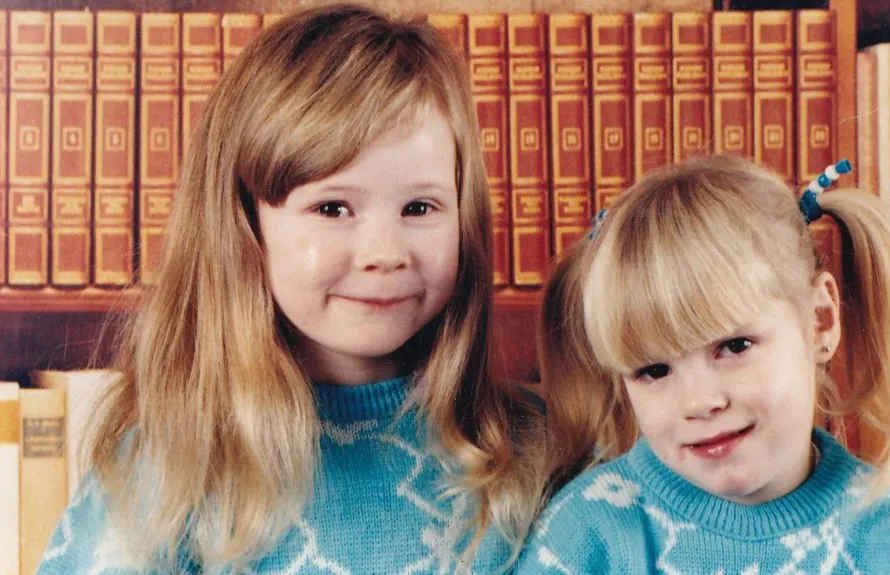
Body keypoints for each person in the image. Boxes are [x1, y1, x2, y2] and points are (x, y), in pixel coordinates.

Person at [37, 5, 542, 573]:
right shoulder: (166, 471)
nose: (385, 253)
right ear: (246, 226)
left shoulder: (537, 451)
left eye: (420, 207)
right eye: (332, 207)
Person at [517, 155, 890, 573]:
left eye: (735, 346)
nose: (700, 402)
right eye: (654, 371)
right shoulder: (586, 538)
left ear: (820, 320)